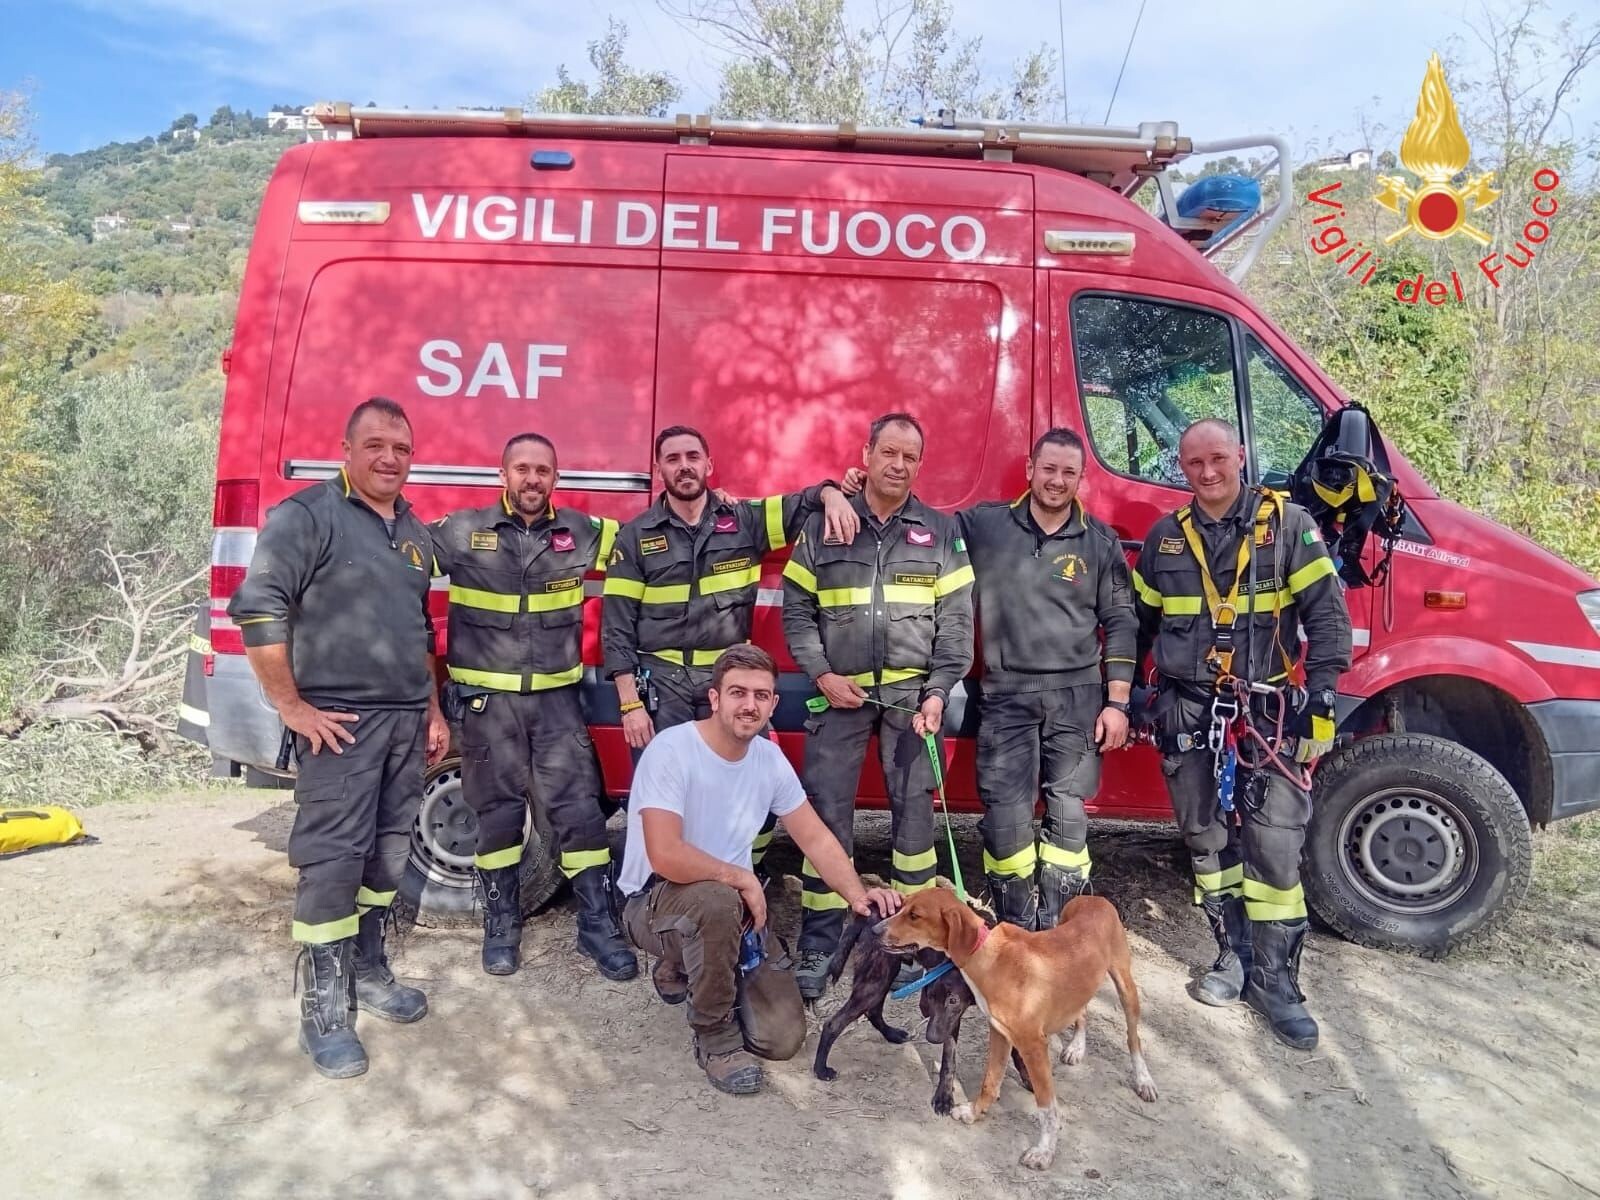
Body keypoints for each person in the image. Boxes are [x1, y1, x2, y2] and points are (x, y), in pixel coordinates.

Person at [229, 397, 449, 1079]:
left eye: (402, 449)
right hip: (341, 725)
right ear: (346, 451)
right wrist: (291, 706)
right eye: (376, 445)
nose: (390, 458)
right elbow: (259, 608)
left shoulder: (412, 530)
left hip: (406, 721)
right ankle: (324, 1007)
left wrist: (434, 711)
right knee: (333, 861)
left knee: (387, 857)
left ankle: (369, 967)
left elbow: (418, 632)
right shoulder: (307, 517)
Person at [1132, 418, 1351, 1050]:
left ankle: (1278, 984)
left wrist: (1323, 707)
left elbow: (1328, 621)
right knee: (1206, 841)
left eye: (1218, 459)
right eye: (1194, 462)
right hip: (1188, 710)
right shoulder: (1165, 540)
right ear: (1181, 466)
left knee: (1275, 849)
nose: (1207, 472)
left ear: (1241, 457)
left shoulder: (1288, 527)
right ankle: (1233, 957)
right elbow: (1136, 624)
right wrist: (1134, 694)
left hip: (1269, 711)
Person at [618, 644, 902, 1095]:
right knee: (716, 898)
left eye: (760, 695)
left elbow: (815, 837)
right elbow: (665, 854)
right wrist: (742, 878)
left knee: (781, 1039)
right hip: (656, 901)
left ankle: (692, 967)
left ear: (773, 704)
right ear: (715, 699)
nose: (749, 705)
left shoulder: (768, 760)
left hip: (729, 910)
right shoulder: (672, 750)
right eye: (737, 692)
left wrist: (857, 894)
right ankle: (714, 1036)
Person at [601, 425, 857, 873]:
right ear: (659, 468)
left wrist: (833, 494)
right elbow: (616, 624)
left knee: (750, 787)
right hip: (664, 685)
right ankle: (661, 897)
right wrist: (629, 704)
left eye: (692, 457)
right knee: (666, 797)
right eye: (673, 459)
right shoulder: (636, 535)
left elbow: (803, 502)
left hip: (730, 683)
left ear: (709, 465)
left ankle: (740, 879)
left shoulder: (745, 520)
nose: (684, 467)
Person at [781, 412, 974, 1000]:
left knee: (913, 826)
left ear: (920, 465)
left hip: (912, 701)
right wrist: (822, 673)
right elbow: (796, 612)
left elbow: (957, 626)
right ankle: (821, 940)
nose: (897, 465)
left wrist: (938, 692)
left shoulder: (940, 533)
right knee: (826, 816)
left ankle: (910, 943)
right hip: (838, 696)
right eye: (888, 452)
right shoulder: (824, 525)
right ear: (865, 454)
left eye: (909, 457)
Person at [430, 433, 635, 981]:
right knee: (496, 818)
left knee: (580, 816)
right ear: (503, 475)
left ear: (555, 478)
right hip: (487, 707)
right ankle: (502, 922)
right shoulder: (460, 532)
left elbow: (648, 538)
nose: (532, 479)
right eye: (522, 469)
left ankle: (597, 925)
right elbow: (395, 556)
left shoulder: (582, 532)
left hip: (555, 705)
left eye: (543, 470)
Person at [956, 428, 1138, 929]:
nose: (1057, 481)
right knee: (1005, 813)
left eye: (1069, 472)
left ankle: (1058, 924)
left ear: (1081, 478)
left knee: (1069, 809)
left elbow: (1122, 621)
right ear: (1029, 468)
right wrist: (838, 491)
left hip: (1077, 696)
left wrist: (1117, 703)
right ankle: (1015, 923)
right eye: (1049, 468)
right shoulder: (985, 526)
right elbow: (920, 527)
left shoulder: (1100, 542)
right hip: (1006, 692)